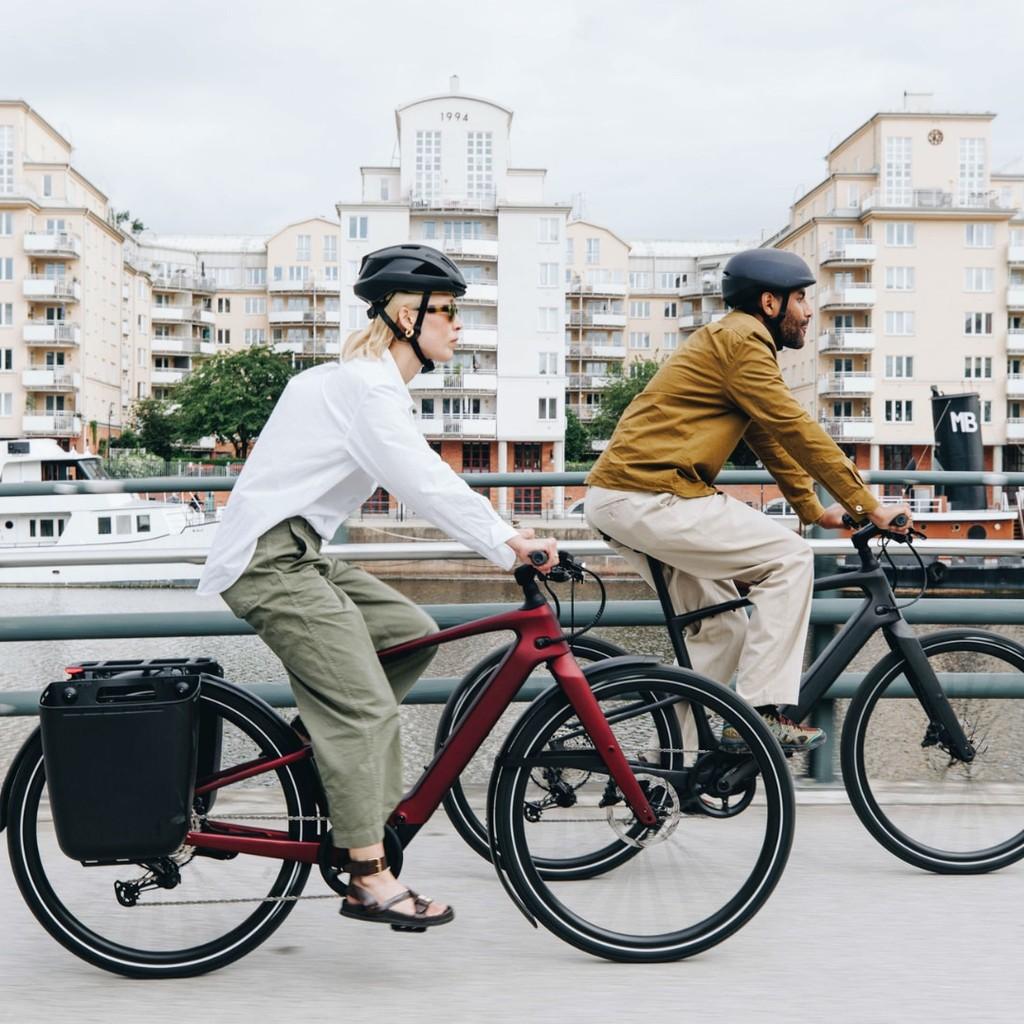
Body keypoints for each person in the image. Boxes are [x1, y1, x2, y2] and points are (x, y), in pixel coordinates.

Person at [197, 244, 557, 931]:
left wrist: (500, 538)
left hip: (300, 553)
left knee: (411, 633)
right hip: (271, 563)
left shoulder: (363, 384)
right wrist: (507, 541)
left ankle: (322, 754)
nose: (458, 325)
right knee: (365, 709)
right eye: (446, 311)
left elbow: (415, 473)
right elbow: (420, 479)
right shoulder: (365, 387)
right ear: (406, 317)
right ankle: (368, 875)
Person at [585, 249, 911, 749]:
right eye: (800, 298)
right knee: (790, 558)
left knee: (723, 629)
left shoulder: (731, 342)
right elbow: (795, 427)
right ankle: (759, 713)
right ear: (769, 302)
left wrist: (813, 508)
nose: (808, 311)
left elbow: (767, 436)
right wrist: (870, 505)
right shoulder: (743, 342)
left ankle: (671, 765)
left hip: (625, 498)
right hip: (651, 494)